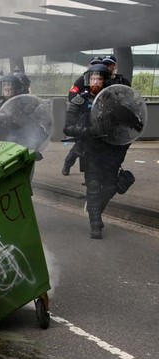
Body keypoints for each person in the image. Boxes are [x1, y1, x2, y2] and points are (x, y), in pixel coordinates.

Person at [63, 64, 126, 239]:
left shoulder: (114, 101)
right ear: (87, 80)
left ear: (106, 81)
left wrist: (122, 147)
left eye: (99, 78)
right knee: (93, 188)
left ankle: (95, 209)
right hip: (89, 150)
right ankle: (95, 224)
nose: (95, 82)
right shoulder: (80, 101)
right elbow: (67, 128)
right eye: (92, 78)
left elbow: (129, 126)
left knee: (111, 187)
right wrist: (88, 131)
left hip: (110, 151)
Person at [63, 56, 104, 176]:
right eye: (93, 64)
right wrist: (82, 101)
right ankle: (67, 164)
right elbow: (72, 94)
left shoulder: (106, 81)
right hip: (85, 115)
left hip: (100, 120)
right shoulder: (82, 80)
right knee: (79, 147)